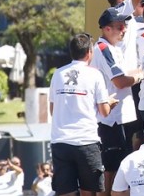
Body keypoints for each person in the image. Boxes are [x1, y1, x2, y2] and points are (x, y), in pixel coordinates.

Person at [50, 33, 114, 196]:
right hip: (86, 141)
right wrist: (110, 103)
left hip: (61, 141)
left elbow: (52, 109)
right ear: (89, 52)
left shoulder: (58, 74)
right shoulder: (94, 74)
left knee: (65, 191)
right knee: (89, 191)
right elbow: (104, 112)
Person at [93, 8, 144, 196]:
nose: (124, 30)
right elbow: (120, 81)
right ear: (106, 29)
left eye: (125, 26)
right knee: (111, 170)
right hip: (110, 118)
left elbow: (124, 74)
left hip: (119, 116)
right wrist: (140, 76)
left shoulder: (113, 48)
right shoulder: (103, 49)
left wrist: (137, 73)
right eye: (119, 26)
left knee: (121, 166)